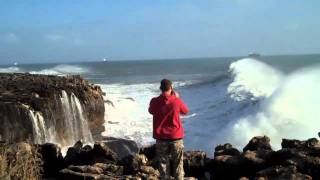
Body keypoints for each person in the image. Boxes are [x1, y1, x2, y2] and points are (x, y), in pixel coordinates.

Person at [148, 79, 189, 180]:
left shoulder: (154, 101)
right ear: (171, 88)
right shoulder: (176, 101)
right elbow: (185, 111)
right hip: (176, 137)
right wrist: (176, 97)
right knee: (178, 165)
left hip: (161, 137)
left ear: (160, 88)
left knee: (163, 165)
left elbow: (151, 111)